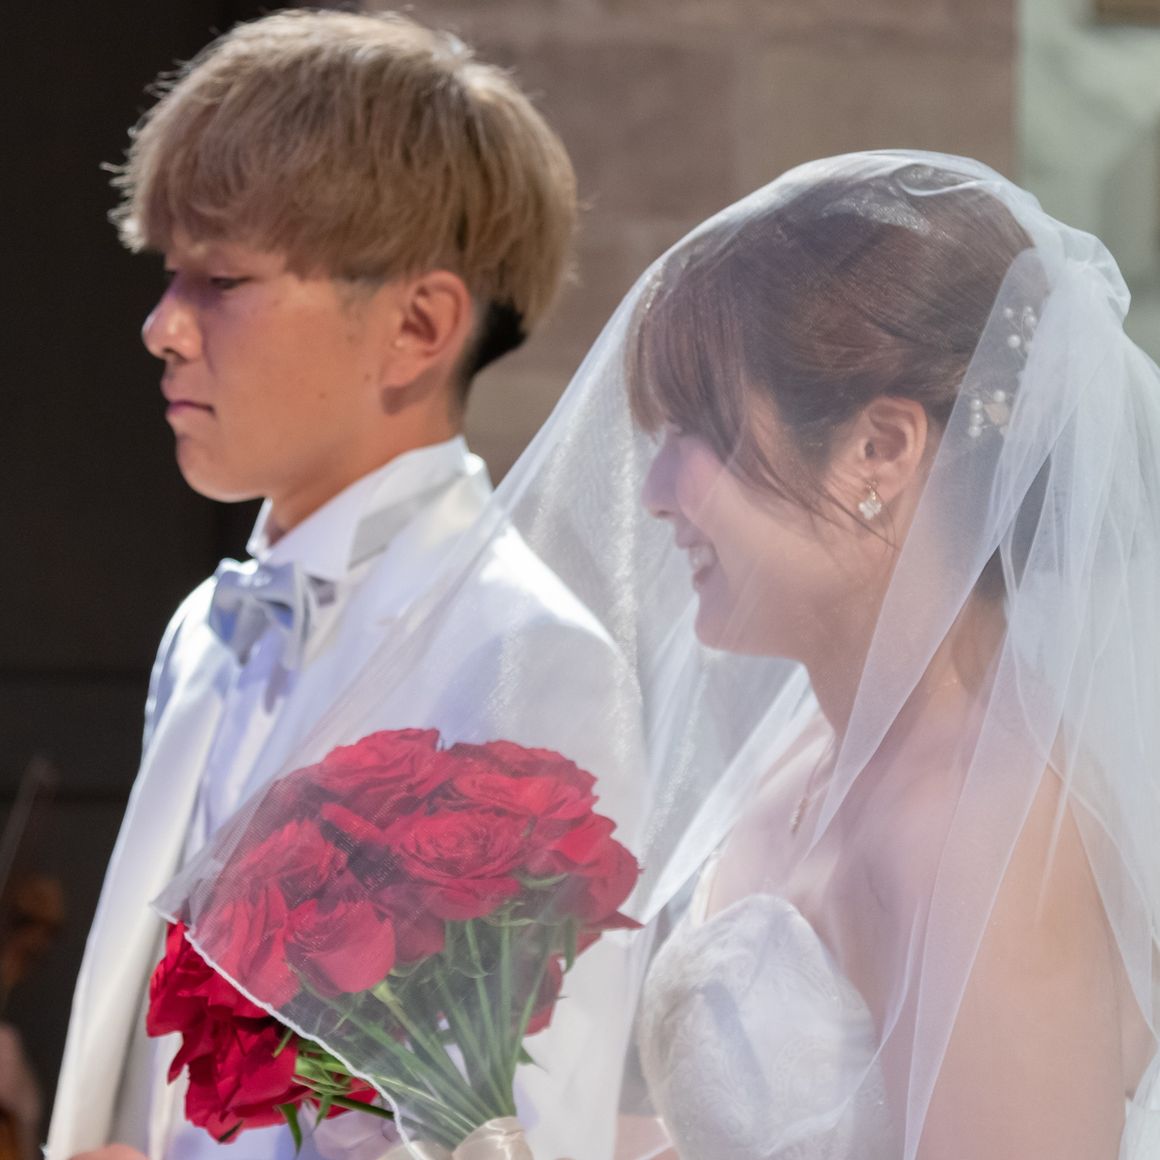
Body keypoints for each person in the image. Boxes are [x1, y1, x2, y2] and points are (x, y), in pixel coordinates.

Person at [137, 153, 1160, 1158]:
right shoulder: (806, 758)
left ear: (879, 450)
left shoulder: (982, 825)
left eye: (698, 432)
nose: (658, 490)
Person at [47, 11, 642, 1160]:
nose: (162, 326)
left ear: (417, 325)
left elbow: (525, 1124)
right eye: (170, 274)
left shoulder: (523, 651)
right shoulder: (207, 627)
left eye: (222, 278)